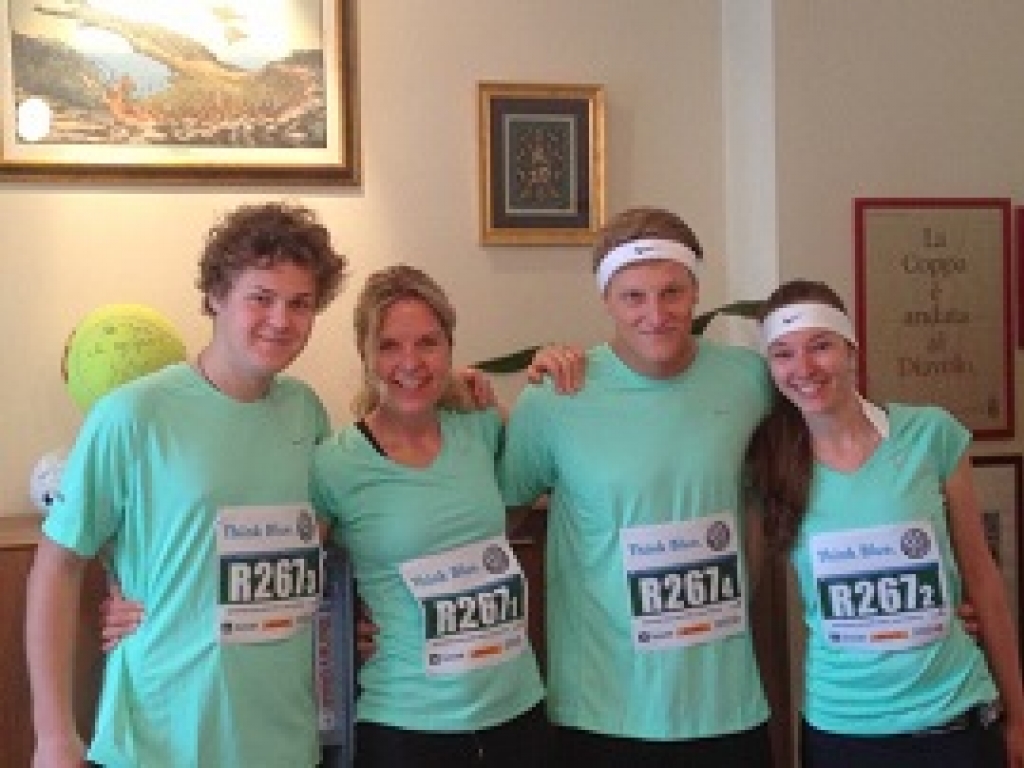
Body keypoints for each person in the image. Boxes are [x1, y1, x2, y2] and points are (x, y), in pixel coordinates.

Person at [26, 201, 348, 768]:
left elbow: (312, 538)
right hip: (160, 742)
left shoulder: (307, 412)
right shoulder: (133, 414)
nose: (282, 320)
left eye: (301, 304)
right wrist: (54, 736)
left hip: (285, 742)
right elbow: (56, 567)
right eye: (261, 297)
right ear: (217, 297)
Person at [500, 206, 775, 767]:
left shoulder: (750, 380)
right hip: (603, 713)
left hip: (726, 708)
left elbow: (833, 458)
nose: (656, 314)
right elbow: (491, 520)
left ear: (696, 291)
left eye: (671, 292)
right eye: (634, 297)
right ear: (607, 300)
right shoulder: (556, 397)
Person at [743, 279, 1024, 768]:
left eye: (821, 346)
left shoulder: (930, 435)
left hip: (952, 718)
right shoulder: (768, 463)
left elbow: (984, 581)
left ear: (851, 349)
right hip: (841, 730)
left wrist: (1019, 717)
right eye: (783, 354)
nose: (804, 368)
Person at [310, 265, 548, 768]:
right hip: (407, 723)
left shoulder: (481, 426)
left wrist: (497, 403)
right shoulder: (334, 463)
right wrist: (342, 632)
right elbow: (299, 580)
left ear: (450, 347)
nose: (410, 362)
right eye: (390, 345)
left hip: (517, 707)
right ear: (366, 355)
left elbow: (521, 506)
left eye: (428, 343)